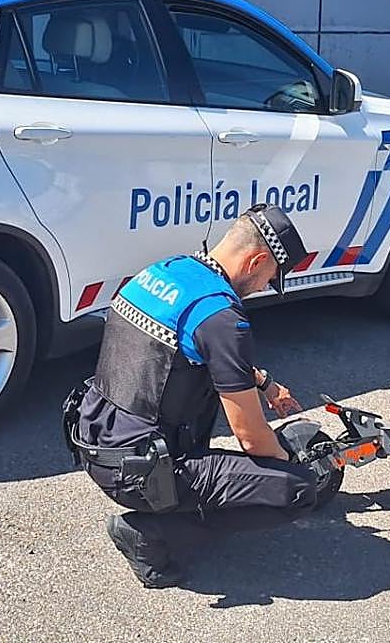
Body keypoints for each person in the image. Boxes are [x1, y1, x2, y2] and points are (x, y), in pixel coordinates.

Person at [63, 204, 316, 588]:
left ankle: (176, 498)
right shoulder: (223, 319)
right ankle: (150, 532)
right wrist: (288, 463)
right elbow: (251, 438)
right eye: (270, 277)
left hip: (95, 436)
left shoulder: (168, 271)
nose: (265, 286)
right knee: (296, 491)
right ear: (256, 261)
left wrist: (264, 384)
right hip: (140, 471)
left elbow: (191, 351)